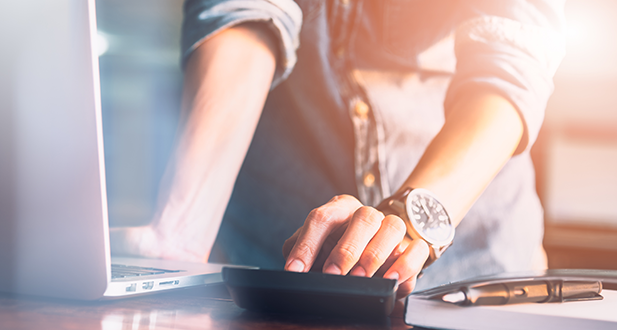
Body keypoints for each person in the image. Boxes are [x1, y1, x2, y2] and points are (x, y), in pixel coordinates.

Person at [111, 0, 565, 298]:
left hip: (476, 267)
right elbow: (244, 11)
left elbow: (510, 64)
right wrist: (183, 231)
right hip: (274, 273)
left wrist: (416, 216)